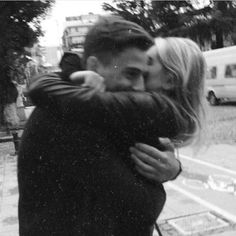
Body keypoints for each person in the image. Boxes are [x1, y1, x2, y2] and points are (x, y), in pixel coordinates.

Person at [18, 16, 184, 236]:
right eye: (131, 73)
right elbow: (142, 206)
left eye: (144, 76)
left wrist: (173, 168)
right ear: (94, 66)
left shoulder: (100, 114)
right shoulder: (62, 119)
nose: (140, 87)